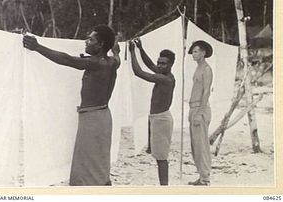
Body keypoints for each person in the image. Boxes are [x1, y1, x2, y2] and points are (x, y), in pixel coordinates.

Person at [22, 25, 120, 186]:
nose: (86, 41)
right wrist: (116, 49)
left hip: (93, 119)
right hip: (102, 116)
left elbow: (66, 59)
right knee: (97, 163)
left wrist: (37, 47)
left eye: (91, 39)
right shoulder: (112, 62)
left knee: (90, 165)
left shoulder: (95, 63)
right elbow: (116, 56)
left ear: (101, 44)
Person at [129, 38, 175, 186]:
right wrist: (140, 49)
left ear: (171, 65)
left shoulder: (166, 79)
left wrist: (131, 52)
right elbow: (149, 64)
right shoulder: (163, 73)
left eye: (163, 63)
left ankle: (164, 189)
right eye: (159, 62)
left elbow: (138, 72)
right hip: (156, 118)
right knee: (156, 154)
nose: (160, 66)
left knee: (161, 159)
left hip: (161, 119)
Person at [187, 40, 213, 186]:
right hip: (193, 107)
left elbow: (206, 91)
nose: (193, 54)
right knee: (195, 145)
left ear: (203, 53)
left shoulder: (206, 69)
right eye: (193, 51)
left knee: (201, 144)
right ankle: (201, 176)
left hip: (200, 109)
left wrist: (199, 113)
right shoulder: (198, 68)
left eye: (196, 51)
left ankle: (205, 177)